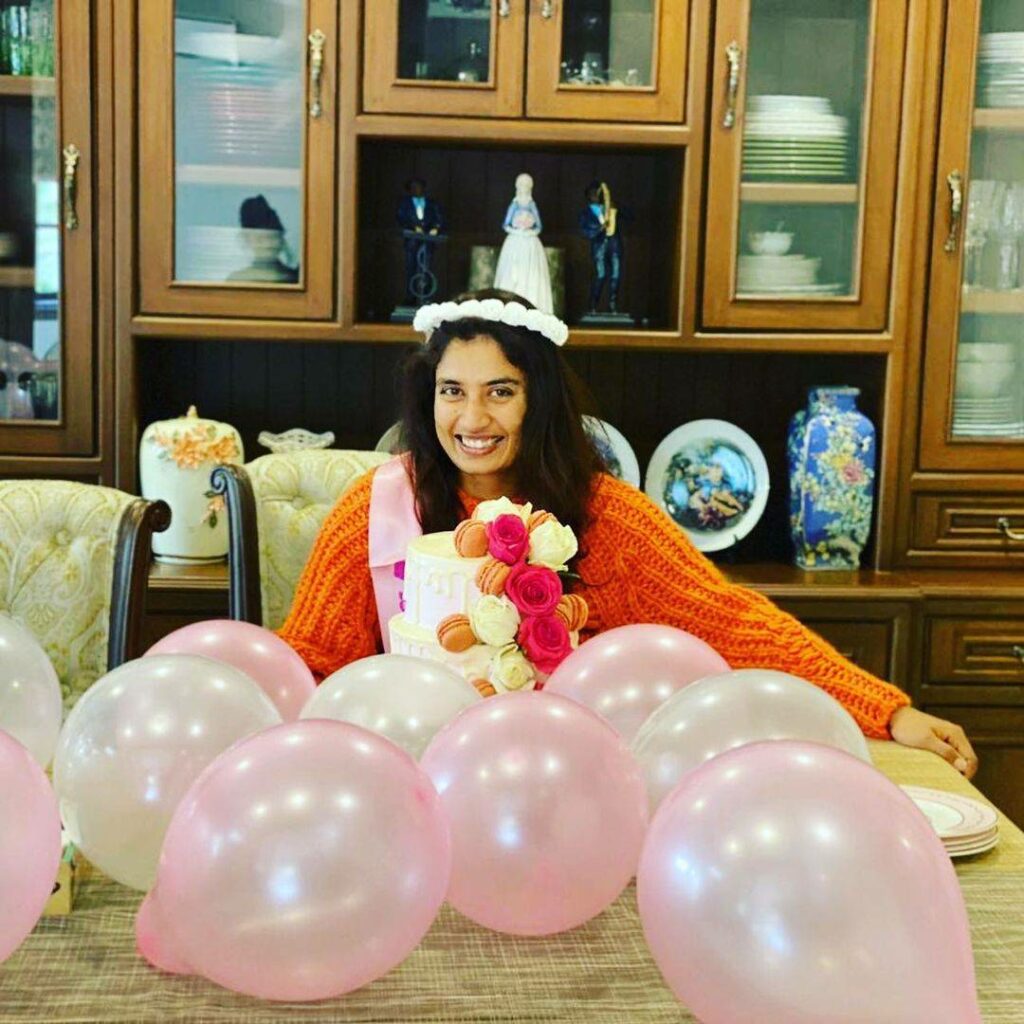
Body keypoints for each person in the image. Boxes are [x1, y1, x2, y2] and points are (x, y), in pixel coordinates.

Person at [278, 288, 979, 778]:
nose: (472, 418)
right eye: (452, 391)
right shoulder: (375, 507)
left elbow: (733, 622)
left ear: (539, 401)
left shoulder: (608, 516)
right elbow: (310, 665)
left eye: (501, 391)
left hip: (566, 791)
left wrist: (887, 710)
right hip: (412, 787)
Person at [493, 173, 554, 314]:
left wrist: (529, 231)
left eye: (526, 186)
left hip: (530, 243)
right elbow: (506, 224)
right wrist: (517, 230)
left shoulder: (532, 205)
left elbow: (538, 226)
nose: (524, 188)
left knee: (531, 274)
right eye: (521, 185)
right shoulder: (514, 204)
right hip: (515, 241)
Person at [397, 178, 445, 304]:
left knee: (427, 268)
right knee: (411, 268)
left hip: (428, 242)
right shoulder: (405, 204)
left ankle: (426, 296)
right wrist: (414, 227)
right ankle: (410, 297)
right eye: (413, 187)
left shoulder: (431, 203)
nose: (416, 189)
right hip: (412, 242)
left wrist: (435, 228)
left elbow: (439, 217)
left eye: (418, 187)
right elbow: (401, 218)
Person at [578, 179, 623, 314]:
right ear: (588, 196)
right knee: (601, 275)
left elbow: (630, 216)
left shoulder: (610, 208)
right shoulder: (585, 213)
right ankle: (593, 305)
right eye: (593, 194)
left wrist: (617, 208)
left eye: (598, 193)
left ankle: (613, 304)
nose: (596, 196)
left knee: (616, 274)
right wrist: (599, 229)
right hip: (599, 246)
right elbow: (585, 231)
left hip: (614, 244)